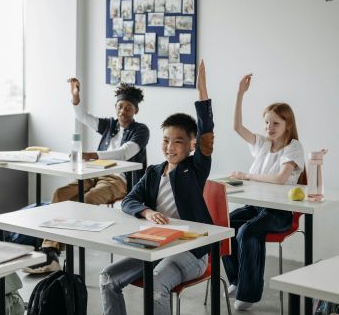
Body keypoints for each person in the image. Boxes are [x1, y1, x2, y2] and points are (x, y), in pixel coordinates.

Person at [99, 60, 213, 315]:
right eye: (166, 141)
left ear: (191, 146)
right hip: (156, 245)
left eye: (178, 142)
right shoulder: (153, 172)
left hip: (191, 251)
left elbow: (207, 135)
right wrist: (147, 212)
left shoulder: (194, 170)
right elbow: (129, 200)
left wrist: (202, 92)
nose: (170, 147)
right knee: (108, 277)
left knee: (156, 284)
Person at [24, 79, 150, 274]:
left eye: (128, 107)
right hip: (93, 173)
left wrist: (94, 155)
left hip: (119, 180)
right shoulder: (109, 125)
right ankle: (51, 251)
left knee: (86, 200)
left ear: (136, 111)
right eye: (120, 106)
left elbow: (125, 152)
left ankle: (52, 251)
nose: (123, 111)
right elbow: (83, 117)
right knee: (61, 194)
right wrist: (75, 97)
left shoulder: (141, 130)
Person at [222, 73, 305, 311]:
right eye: (267, 122)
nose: (269, 127)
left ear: (288, 125)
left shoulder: (294, 148)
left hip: (279, 212)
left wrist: (246, 176)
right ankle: (238, 281)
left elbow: (280, 179)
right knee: (224, 226)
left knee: (248, 232)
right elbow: (237, 127)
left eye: (276, 123)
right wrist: (240, 94)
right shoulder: (262, 144)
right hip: (255, 206)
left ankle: (249, 293)